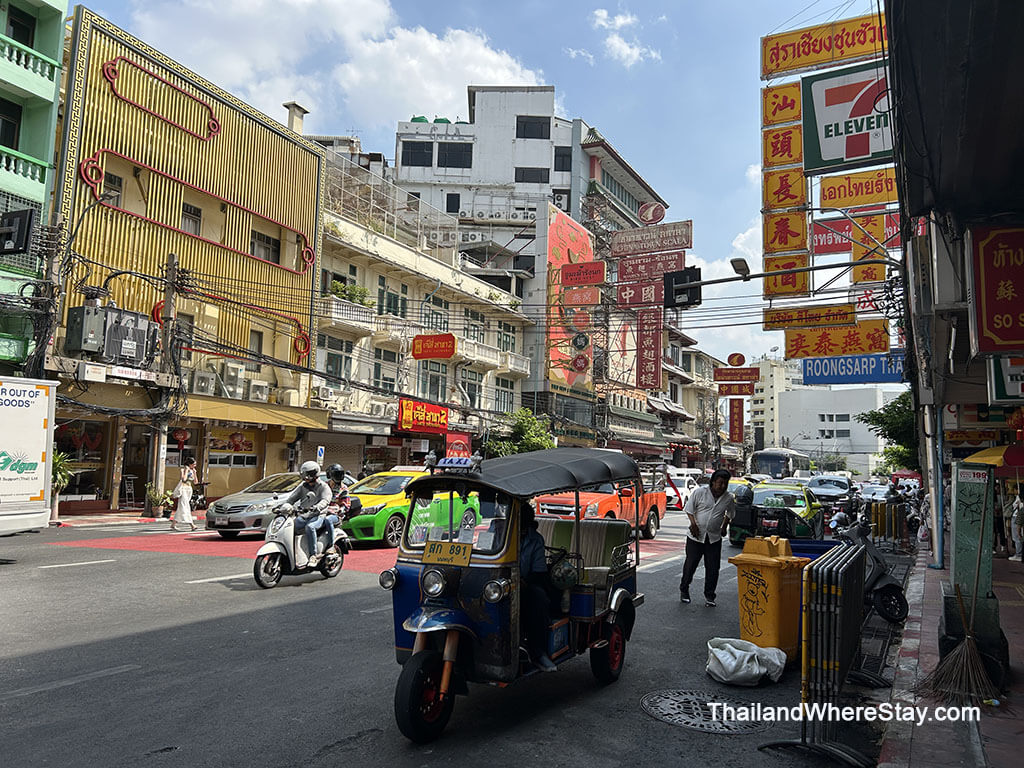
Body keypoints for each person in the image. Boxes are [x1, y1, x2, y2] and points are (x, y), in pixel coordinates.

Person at [679, 468, 735, 607]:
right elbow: (689, 509)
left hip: (714, 539)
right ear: (713, 482)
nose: (722, 486)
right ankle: (684, 589)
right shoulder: (700, 492)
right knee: (690, 565)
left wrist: (724, 527)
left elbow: (730, 513)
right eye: (720, 483)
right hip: (695, 537)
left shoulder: (728, 498)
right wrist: (693, 525)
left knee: (713, 568)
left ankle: (710, 595)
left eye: (725, 484)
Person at [518, 502, 556, 672]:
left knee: (538, 598)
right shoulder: (496, 531)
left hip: (526, 584)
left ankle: (538, 652)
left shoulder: (535, 540)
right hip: (498, 583)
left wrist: (522, 582)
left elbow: (539, 572)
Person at [283, 461, 333, 566]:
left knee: (310, 527)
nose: (306, 476)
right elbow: (291, 498)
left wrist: (317, 507)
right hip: (303, 515)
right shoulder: (303, 486)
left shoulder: (323, 487)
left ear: (315, 474)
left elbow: (325, 500)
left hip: (318, 515)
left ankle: (313, 555)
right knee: (289, 526)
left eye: (308, 473)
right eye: (305, 473)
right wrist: (283, 506)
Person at [171, 456, 198, 531]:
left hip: (189, 490)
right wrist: (186, 470)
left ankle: (173, 524)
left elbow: (196, 482)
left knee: (181, 507)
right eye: (194, 464)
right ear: (190, 464)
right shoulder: (183, 470)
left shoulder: (193, 471)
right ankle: (192, 525)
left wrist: (195, 473)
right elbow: (184, 479)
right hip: (183, 490)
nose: (195, 466)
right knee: (185, 506)